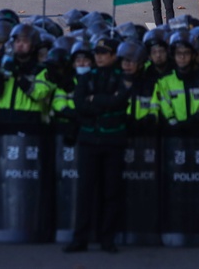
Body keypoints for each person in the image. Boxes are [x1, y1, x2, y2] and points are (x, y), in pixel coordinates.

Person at [65, 33, 128, 254]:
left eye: (104, 54)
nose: (100, 58)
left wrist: (97, 100)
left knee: (111, 193)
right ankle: (80, 238)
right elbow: (80, 104)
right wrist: (104, 103)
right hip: (89, 140)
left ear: (113, 56)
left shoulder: (121, 77)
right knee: (85, 192)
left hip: (113, 140)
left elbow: (120, 102)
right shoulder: (87, 77)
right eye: (97, 54)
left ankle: (107, 239)